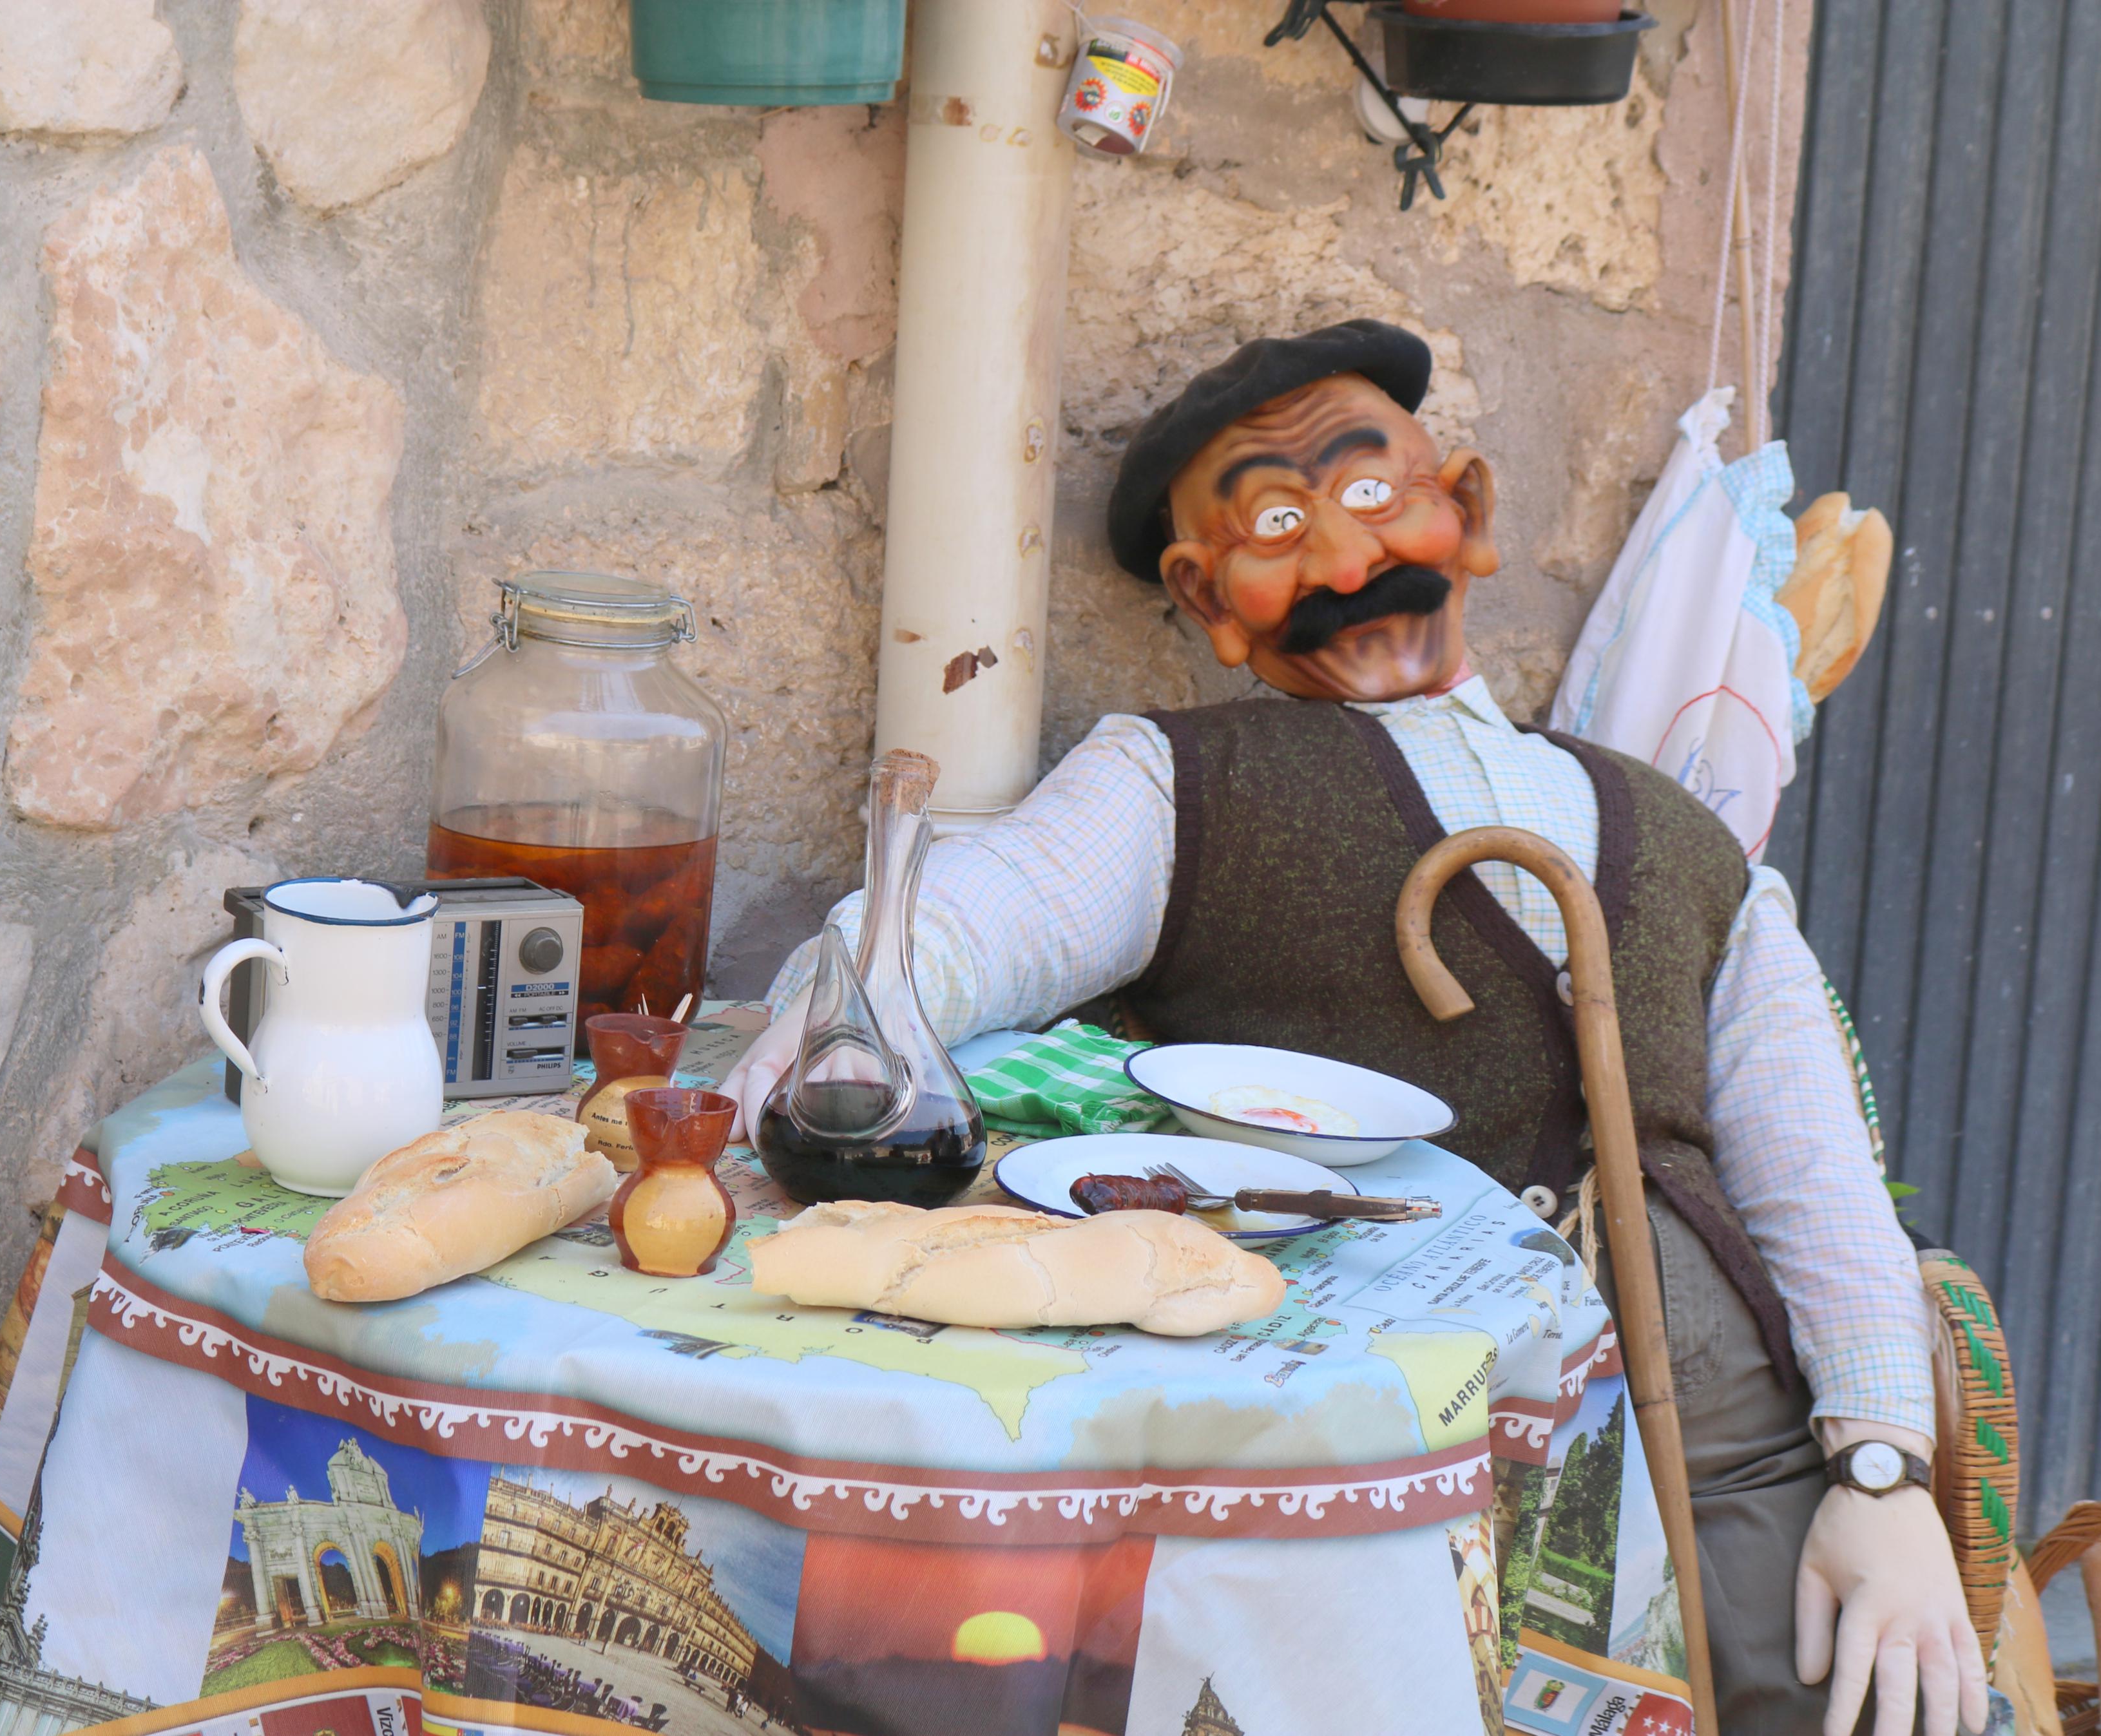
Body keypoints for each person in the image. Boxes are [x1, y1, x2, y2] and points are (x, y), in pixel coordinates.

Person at [725, 321, 1982, 1736]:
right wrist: (826, 1031)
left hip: (1722, 1468)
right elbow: (956, 926)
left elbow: (1817, 1174)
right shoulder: (1175, 787)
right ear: (1213, 599)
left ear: (1471, 510)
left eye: (1375, 495)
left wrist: (1881, 1477)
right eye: (1276, 521)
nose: (1339, 556)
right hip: (1378, 1485)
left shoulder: (1689, 843)